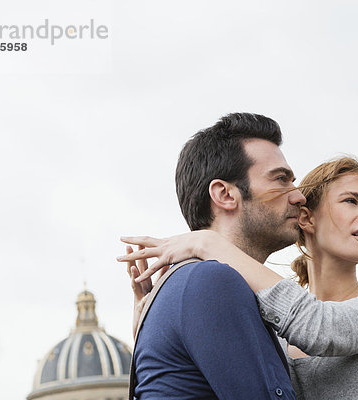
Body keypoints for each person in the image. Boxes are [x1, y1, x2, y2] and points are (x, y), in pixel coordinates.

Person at [123, 156, 358, 399]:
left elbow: (322, 328)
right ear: (307, 217)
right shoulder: (272, 328)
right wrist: (150, 326)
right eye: (352, 200)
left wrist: (208, 243)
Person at [118, 113, 303, 399]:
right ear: (225, 194)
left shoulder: (194, 281)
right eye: (280, 180)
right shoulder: (210, 280)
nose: (298, 196)